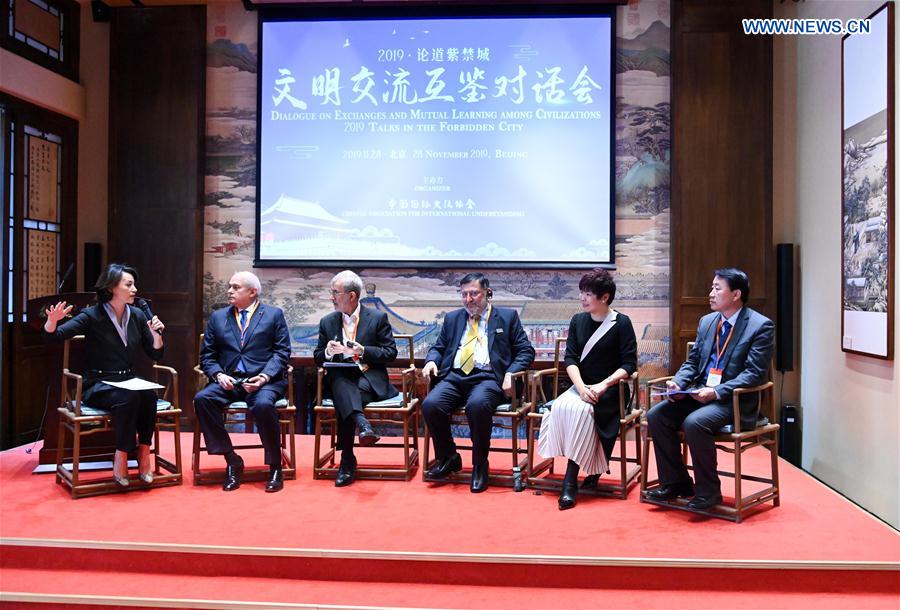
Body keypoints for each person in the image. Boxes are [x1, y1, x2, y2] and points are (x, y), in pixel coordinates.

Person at [645, 268, 774, 510]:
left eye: (717, 288)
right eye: (712, 287)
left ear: (736, 294)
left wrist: (716, 392)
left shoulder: (760, 326)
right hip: (700, 393)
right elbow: (693, 362)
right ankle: (677, 483)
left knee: (695, 422)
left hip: (732, 401)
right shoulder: (707, 322)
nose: (711, 293)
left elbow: (754, 374)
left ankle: (708, 492)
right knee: (657, 416)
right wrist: (680, 383)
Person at [43, 263, 166, 487]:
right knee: (128, 397)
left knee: (148, 395)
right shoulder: (92, 315)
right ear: (111, 287)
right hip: (98, 383)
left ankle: (144, 451)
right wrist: (53, 320)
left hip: (128, 379)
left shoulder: (138, 315)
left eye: (134, 284)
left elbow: (155, 353)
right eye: (129, 284)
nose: (135, 289)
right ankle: (121, 455)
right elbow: (56, 336)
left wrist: (156, 335)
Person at [421, 273, 535, 493]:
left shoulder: (507, 317)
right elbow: (438, 347)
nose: (468, 299)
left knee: (477, 405)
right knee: (431, 404)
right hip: (455, 376)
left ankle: (480, 465)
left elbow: (525, 351)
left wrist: (511, 373)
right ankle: (448, 457)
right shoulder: (453, 318)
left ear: (487, 294)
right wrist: (431, 361)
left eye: (474, 293)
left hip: (489, 378)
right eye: (464, 294)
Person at [537, 268, 637, 510]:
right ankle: (589, 470)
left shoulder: (621, 323)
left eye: (588, 294)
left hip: (612, 389)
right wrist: (581, 388)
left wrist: (602, 386)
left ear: (604, 297)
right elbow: (570, 359)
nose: (582, 298)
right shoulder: (578, 320)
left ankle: (569, 481)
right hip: (580, 385)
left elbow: (629, 365)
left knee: (582, 412)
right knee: (560, 406)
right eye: (581, 292)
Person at [194, 271, 291, 493]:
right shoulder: (218, 317)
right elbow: (207, 357)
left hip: (264, 381)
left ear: (252, 292)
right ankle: (231, 459)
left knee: (264, 405)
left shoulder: (273, 315)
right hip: (229, 380)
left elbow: (282, 352)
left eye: (235, 287)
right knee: (202, 399)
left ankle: (275, 466)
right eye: (229, 286)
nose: (229, 291)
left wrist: (264, 377)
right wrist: (218, 375)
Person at [313, 270, 399, 487]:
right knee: (341, 380)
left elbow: (390, 353)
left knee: (348, 396)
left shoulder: (377, 318)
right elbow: (317, 357)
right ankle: (362, 426)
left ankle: (347, 458)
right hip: (339, 377)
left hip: (368, 379)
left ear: (351, 296)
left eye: (335, 292)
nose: (331, 297)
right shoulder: (327, 321)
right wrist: (328, 353)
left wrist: (363, 351)